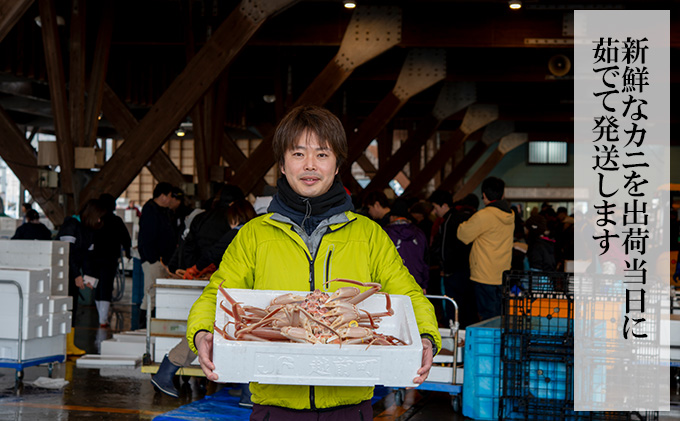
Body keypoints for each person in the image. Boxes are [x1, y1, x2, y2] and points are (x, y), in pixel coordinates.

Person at [186, 105, 440, 418]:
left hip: (349, 406)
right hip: (274, 406)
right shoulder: (254, 235)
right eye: (298, 154)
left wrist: (426, 337)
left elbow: (408, 295)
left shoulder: (369, 235)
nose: (310, 165)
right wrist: (202, 331)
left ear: (337, 166)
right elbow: (219, 294)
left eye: (322, 154)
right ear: (281, 164)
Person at [152, 199, 257, 399]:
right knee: (217, 333)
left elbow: (213, 253)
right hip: (235, 295)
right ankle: (246, 391)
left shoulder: (241, 233)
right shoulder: (249, 234)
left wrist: (196, 268)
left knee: (229, 335)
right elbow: (215, 254)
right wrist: (198, 269)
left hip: (234, 294)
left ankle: (246, 390)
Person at [457, 177, 514, 320]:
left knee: (487, 316)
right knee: (500, 315)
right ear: (502, 195)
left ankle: (490, 341)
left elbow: (463, 235)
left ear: (484, 195)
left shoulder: (484, 216)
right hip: (503, 273)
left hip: (484, 274)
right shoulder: (510, 215)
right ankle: (499, 341)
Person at [56, 199, 107, 355]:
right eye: (98, 217)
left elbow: (87, 257)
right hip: (60, 273)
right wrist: (76, 275)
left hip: (73, 272)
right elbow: (66, 254)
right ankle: (61, 344)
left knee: (73, 307)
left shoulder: (89, 230)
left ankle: (70, 344)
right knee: (63, 308)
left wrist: (88, 276)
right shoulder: (70, 225)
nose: (99, 221)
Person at [430, 190, 479, 329]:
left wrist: (444, 267)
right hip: (468, 270)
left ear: (444, 205)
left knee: (451, 309)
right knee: (466, 308)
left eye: (435, 207)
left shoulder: (448, 221)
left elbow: (445, 248)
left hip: (452, 273)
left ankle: (453, 337)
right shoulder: (465, 218)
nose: (434, 212)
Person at [138, 182, 177, 327]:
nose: (171, 200)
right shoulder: (150, 211)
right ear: (163, 196)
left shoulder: (162, 211)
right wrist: (153, 260)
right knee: (150, 295)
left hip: (161, 261)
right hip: (153, 261)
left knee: (157, 295)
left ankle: (151, 326)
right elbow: (147, 239)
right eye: (170, 196)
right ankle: (143, 327)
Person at [92, 194, 132, 328]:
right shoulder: (116, 220)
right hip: (110, 259)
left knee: (97, 286)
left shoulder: (96, 220)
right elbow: (126, 238)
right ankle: (103, 319)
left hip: (95, 259)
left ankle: (100, 316)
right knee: (106, 287)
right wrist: (128, 252)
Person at [383, 198, 429, 292]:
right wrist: (424, 284)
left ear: (392, 217)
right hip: (416, 283)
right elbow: (425, 260)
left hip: (393, 283)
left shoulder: (385, 233)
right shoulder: (419, 233)